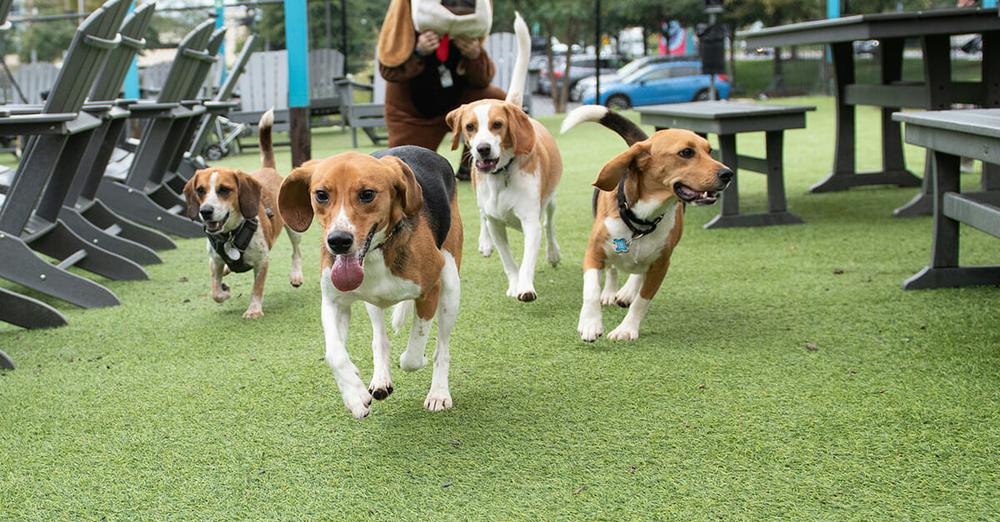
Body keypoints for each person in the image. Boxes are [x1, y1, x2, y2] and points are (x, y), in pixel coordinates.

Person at [377, 0, 506, 179]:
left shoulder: (466, 31)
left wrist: (474, 55)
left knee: (495, 99)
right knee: (403, 173)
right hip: (413, 116)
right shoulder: (408, 24)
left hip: (457, 106)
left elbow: (483, 80)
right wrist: (417, 52)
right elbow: (389, 71)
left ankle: (470, 167)